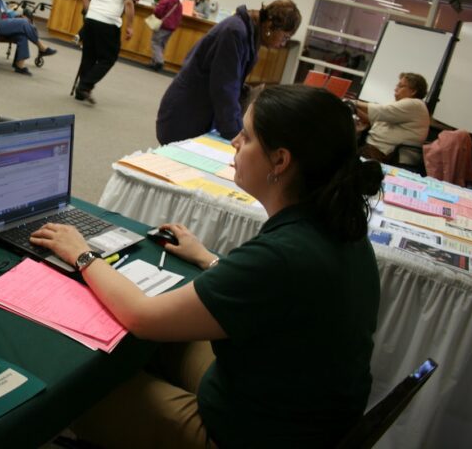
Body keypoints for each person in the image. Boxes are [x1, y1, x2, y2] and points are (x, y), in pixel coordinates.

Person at [31, 84, 383, 448]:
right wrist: (207, 259)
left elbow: (141, 315)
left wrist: (82, 254)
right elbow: (274, 298)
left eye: (246, 136)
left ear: (280, 161)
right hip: (299, 413)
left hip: (244, 435)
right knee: (167, 343)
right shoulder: (342, 228)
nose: (234, 142)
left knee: (77, 389)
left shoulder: (282, 255)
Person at [156, 0, 301, 143]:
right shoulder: (235, 32)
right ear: (270, 26)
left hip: (198, 110)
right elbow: (224, 89)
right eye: (285, 37)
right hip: (186, 114)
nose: (283, 44)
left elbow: (227, 79)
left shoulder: (247, 32)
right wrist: (237, 135)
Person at [73, 0, 135, 105]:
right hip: (109, 22)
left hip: (91, 20)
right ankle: (85, 85)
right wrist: (130, 26)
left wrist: (90, 12)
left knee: (89, 55)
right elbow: (128, 3)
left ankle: (81, 93)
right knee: (108, 58)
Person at [351, 73, 429, 164]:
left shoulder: (414, 104)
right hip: (376, 148)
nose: (395, 89)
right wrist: (355, 109)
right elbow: (376, 120)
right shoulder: (404, 105)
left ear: (413, 91)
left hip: (385, 153)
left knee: (344, 155)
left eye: (401, 86)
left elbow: (382, 111)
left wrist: (355, 102)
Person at [0, 6, 57, 75]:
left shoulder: (0, 0)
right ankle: (41, 47)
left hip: (6, 22)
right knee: (24, 22)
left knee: (23, 35)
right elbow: (0, 14)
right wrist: (15, 15)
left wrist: (16, 14)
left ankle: (19, 65)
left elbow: (7, 12)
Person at [149, 0, 182, 71]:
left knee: (155, 42)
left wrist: (156, 8)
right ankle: (154, 63)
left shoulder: (166, 0)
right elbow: (179, 17)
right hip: (171, 28)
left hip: (163, 25)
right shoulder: (179, 4)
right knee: (162, 44)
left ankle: (159, 61)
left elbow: (157, 12)